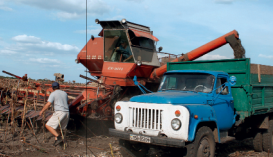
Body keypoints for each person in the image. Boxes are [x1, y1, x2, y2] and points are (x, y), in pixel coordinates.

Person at [39, 82, 69, 146]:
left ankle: (58, 138)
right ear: (59, 87)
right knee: (58, 128)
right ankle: (58, 143)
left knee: (48, 126)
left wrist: (42, 111)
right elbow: (67, 102)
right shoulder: (65, 93)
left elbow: (48, 104)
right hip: (66, 112)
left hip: (59, 112)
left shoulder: (53, 94)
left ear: (52, 88)